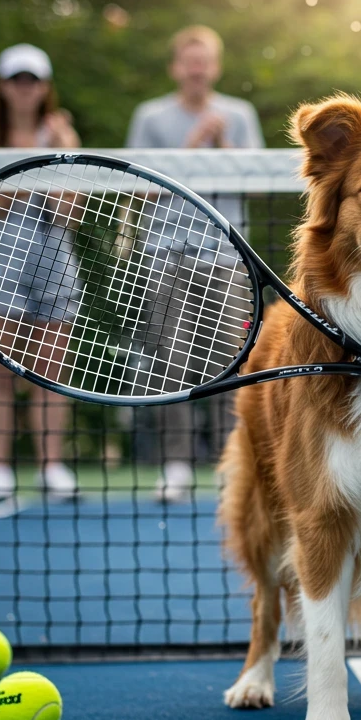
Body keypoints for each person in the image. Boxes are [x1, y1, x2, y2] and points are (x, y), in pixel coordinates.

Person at [124, 25, 264, 502]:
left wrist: (221, 144)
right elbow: (139, 188)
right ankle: (176, 465)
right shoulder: (151, 116)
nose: (197, 68)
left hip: (226, 255)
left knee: (233, 358)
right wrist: (193, 142)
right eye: (190, 60)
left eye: (205, 60)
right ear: (176, 67)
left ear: (216, 66)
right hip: (164, 253)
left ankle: (232, 464)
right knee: (170, 361)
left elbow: (259, 183)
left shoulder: (239, 116)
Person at [0, 43, 81, 502]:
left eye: (33, 80)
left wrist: (51, 155)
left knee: (52, 369)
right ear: (3, 86)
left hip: (55, 257)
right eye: (17, 80)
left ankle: (51, 468)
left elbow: (69, 212)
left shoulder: (63, 136)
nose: (25, 88)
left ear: (45, 87)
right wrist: (31, 163)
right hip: (0, 259)